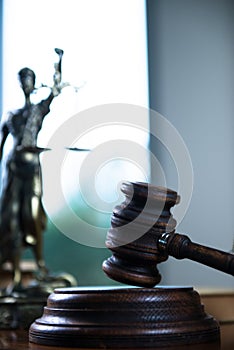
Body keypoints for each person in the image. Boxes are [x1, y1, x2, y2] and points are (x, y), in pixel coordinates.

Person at [0, 49, 64, 293]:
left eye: (30, 80)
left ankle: (40, 267)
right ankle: (15, 275)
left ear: (34, 84)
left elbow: (56, 91)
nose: (26, 84)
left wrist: (59, 61)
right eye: (23, 81)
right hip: (13, 170)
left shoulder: (38, 110)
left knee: (32, 215)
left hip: (32, 170)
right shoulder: (11, 116)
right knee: (12, 220)